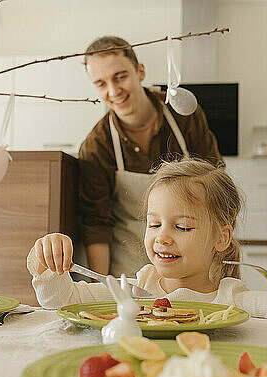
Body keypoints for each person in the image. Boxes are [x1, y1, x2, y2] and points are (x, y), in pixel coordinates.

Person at [26, 159, 267, 342]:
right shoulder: (136, 291)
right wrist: (49, 263)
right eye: (154, 225)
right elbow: (63, 301)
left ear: (221, 238)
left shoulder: (230, 300)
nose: (162, 237)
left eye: (182, 227)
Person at [78, 36, 222, 278]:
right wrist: (102, 289)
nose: (113, 91)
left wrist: (219, 267)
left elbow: (218, 193)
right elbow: (97, 227)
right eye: (101, 83)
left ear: (140, 71)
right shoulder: (97, 147)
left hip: (196, 272)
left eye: (120, 77)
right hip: (134, 275)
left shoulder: (184, 117)